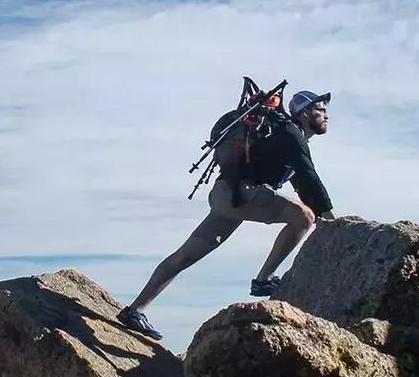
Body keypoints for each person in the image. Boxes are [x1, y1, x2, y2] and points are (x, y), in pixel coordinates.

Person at [117, 90, 336, 340]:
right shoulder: (290, 133)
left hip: (227, 195)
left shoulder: (283, 134)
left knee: (185, 255)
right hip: (240, 193)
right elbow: (308, 175)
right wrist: (332, 219)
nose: (327, 115)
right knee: (304, 217)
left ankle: (134, 310)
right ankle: (264, 279)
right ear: (306, 112)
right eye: (322, 110)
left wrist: (324, 213)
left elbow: (302, 183)